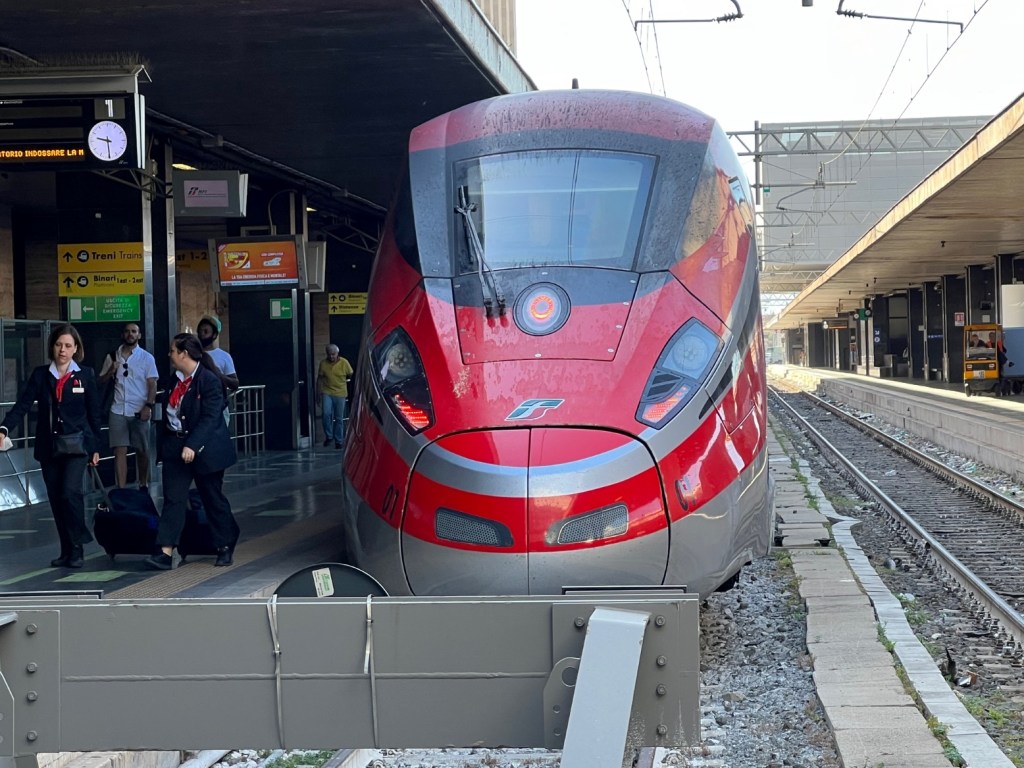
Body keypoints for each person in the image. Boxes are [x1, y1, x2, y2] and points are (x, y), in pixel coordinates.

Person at [0, 324, 102, 568]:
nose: (62, 350)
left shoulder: (84, 375)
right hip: (49, 447)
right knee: (56, 499)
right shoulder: (41, 375)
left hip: (77, 446)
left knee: (70, 494)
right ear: (52, 347)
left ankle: (78, 547)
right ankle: (66, 550)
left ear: (76, 348)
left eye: (68, 346)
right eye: (58, 345)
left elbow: (94, 414)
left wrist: (96, 447)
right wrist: (4, 428)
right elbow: (22, 405)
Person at [144, 333, 240, 570]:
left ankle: (224, 545)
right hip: (175, 448)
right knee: (173, 498)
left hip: (205, 449)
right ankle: (165, 550)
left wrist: (193, 445)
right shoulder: (174, 380)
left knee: (212, 497)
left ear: (184, 354)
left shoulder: (209, 380)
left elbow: (210, 417)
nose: (170, 355)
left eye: (172, 351)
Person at [98, 322, 158, 489]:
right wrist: (111, 370)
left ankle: (143, 483)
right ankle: (121, 489)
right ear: (122, 334)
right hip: (117, 408)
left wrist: (149, 406)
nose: (130, 334)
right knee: (119, 450)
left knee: (141, 450)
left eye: (134, 331)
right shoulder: (112, 356)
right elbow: (101, 380)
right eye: (127, 331)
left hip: (138, 409)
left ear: (139, 335)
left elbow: (152, 383)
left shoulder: (146, 358)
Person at [316, 344, 353, 448]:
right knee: (326, 414)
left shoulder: (344, 362)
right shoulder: (323, 363)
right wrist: (317, 393)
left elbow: (350, 374)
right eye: (329, 354)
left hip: (340, 393)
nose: (331, 357)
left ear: (337, 353)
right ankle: (329, 436)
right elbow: (319, 379)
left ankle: (339, 440)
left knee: (339, 418)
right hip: (327, 391)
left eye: (333, 354)